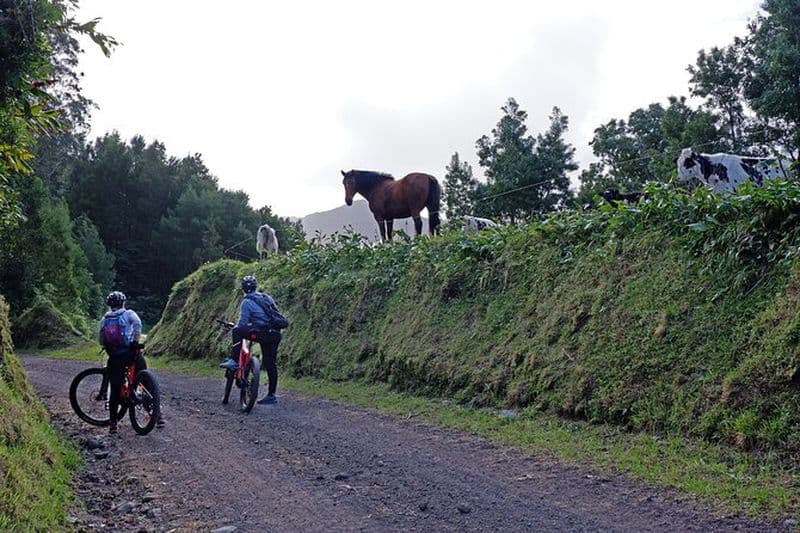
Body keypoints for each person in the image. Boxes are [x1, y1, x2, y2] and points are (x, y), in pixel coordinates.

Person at [99, 291, 164, 433]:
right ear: (123, 303)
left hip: (115, 357)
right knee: (143, 381)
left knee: (115, 388)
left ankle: (113, 424)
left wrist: (108, 347)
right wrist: (135, 341)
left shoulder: (105, 319)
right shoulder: (129, 314)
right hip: (131, 354)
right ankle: (156, 415)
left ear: (110, 305)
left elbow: (101, 339)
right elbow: (138, 325)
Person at [221, 275, 282, 404]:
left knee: (237, 331)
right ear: (256, 286)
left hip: (261, 333)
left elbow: (242, 324)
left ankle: (233, 360)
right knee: (270, 363)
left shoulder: (246, 302)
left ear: (243, 288)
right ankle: (271, 395)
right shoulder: (266, 298)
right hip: (274, 333)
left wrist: (241, 326)